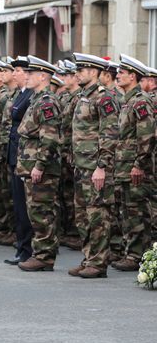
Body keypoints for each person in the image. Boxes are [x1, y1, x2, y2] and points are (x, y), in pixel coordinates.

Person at [69, 53, 120, 278]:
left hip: (95, 168)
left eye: (82, 69)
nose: (77, 73)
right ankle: (89, 257)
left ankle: (98, 263)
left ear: (94, 72)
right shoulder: (82, 95)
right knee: (82, 216)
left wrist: (102, 166)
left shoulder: (104, 97)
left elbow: (110, 134)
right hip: (81, 166)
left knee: (98, 216)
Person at [16, 55, 62, 272]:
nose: (27, 77)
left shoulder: (47, 102)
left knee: (42, 212)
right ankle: (41, 252)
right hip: (31, 165)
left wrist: (39, 165)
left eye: (31, 73)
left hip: (41, 168)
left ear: (43, 76)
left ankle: (45, 255)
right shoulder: (36, 99)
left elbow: (50, 138)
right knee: (36, 211)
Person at [111, 54, 155, 272]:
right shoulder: (127, 100)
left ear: (133, 76)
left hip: (135, 167)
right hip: (124, 165)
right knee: (127, 211)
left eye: (122, 73)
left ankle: (138, 255)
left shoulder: (140, 101)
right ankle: (132, 252)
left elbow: (147, 136)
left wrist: (139, 164)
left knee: (137, 211)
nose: (117, 76)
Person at [4, 56, 35, 265]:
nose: (14, 74)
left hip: (26, 157)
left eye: (17, 71)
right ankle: (21, 248)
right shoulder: (21, 94)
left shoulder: (31, 96)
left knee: (26, 207)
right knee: (18, 206)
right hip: (16, 155)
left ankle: (27, 250)